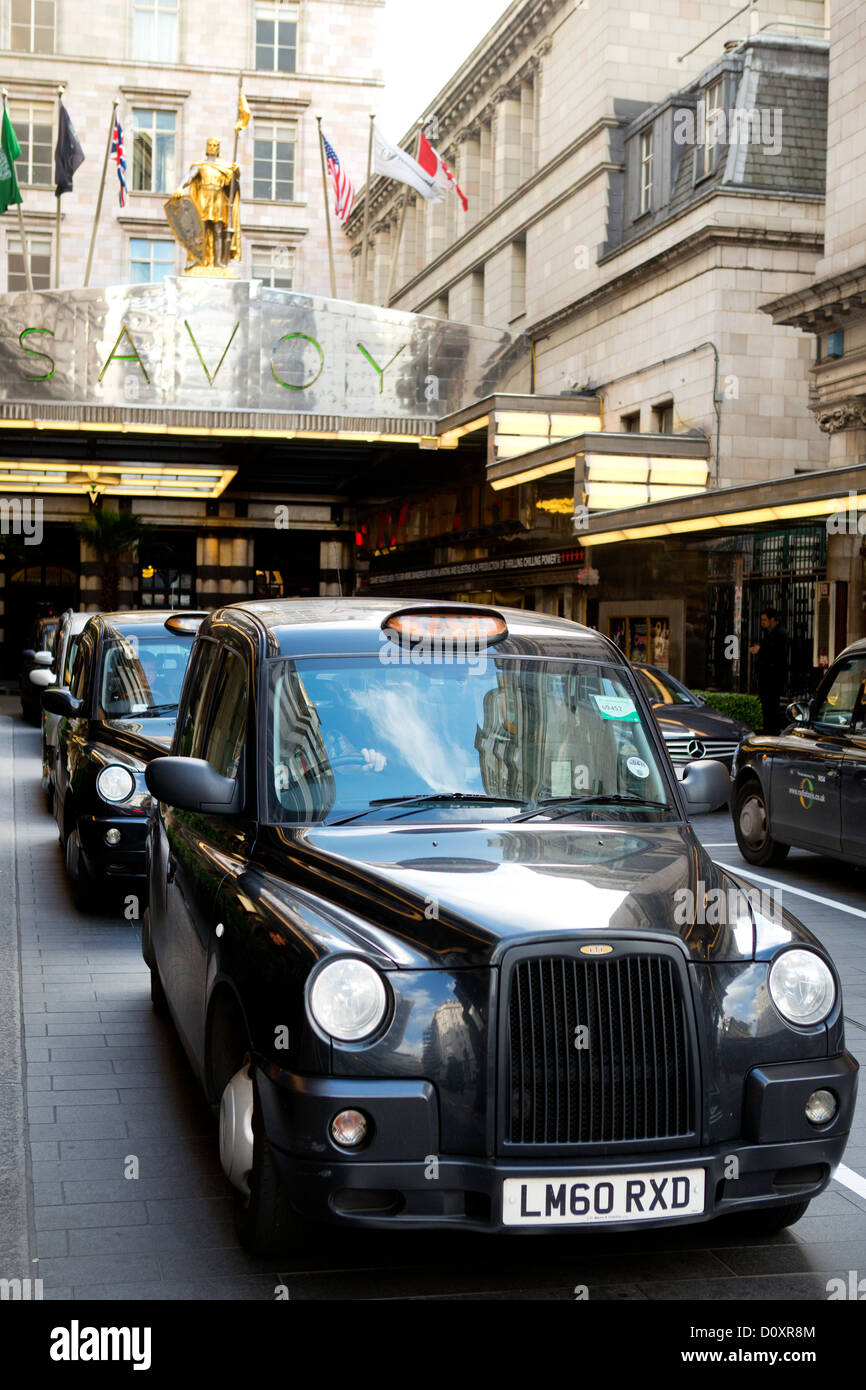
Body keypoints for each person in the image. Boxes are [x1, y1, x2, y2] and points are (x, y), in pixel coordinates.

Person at [749, 608, 788, 735]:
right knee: (766, 706)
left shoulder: (780, 634)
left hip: (773, 677)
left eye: (765, 620)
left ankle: (772, 730)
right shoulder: (769, 633)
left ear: (772, 620)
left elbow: (776, 654)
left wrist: (760, 650)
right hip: (766, 677)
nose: (762, 623)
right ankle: (769, 729)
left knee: (771, 706)